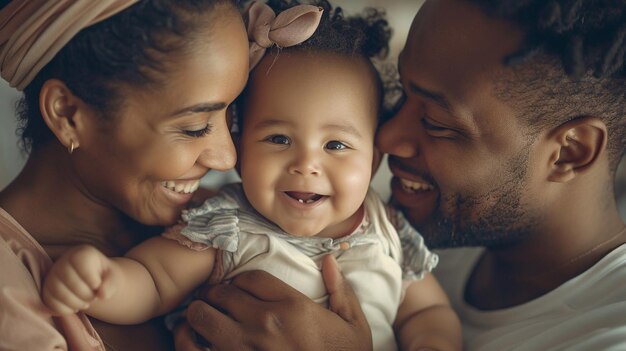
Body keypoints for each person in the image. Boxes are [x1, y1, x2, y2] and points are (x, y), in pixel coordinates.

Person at [181, 0, 626, 350]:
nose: (387, 138)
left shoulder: (605, 335)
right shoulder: (420, 224)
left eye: (435, 122)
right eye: (401, 95)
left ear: (570, 152)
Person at [41, 1, 463, 350]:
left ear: (373, 162)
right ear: (239, 149)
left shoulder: (391, 232)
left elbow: (428, 312)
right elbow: (154, 280)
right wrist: (103, 283)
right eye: (278, 138)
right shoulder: (226, 226)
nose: (306, 164)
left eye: (335, 145)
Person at [0, 0, 249, 350]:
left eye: (232, 115)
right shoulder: (11, 293)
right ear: (68, 115)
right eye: (195, 128)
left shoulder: (216, 223)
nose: (227, 158)